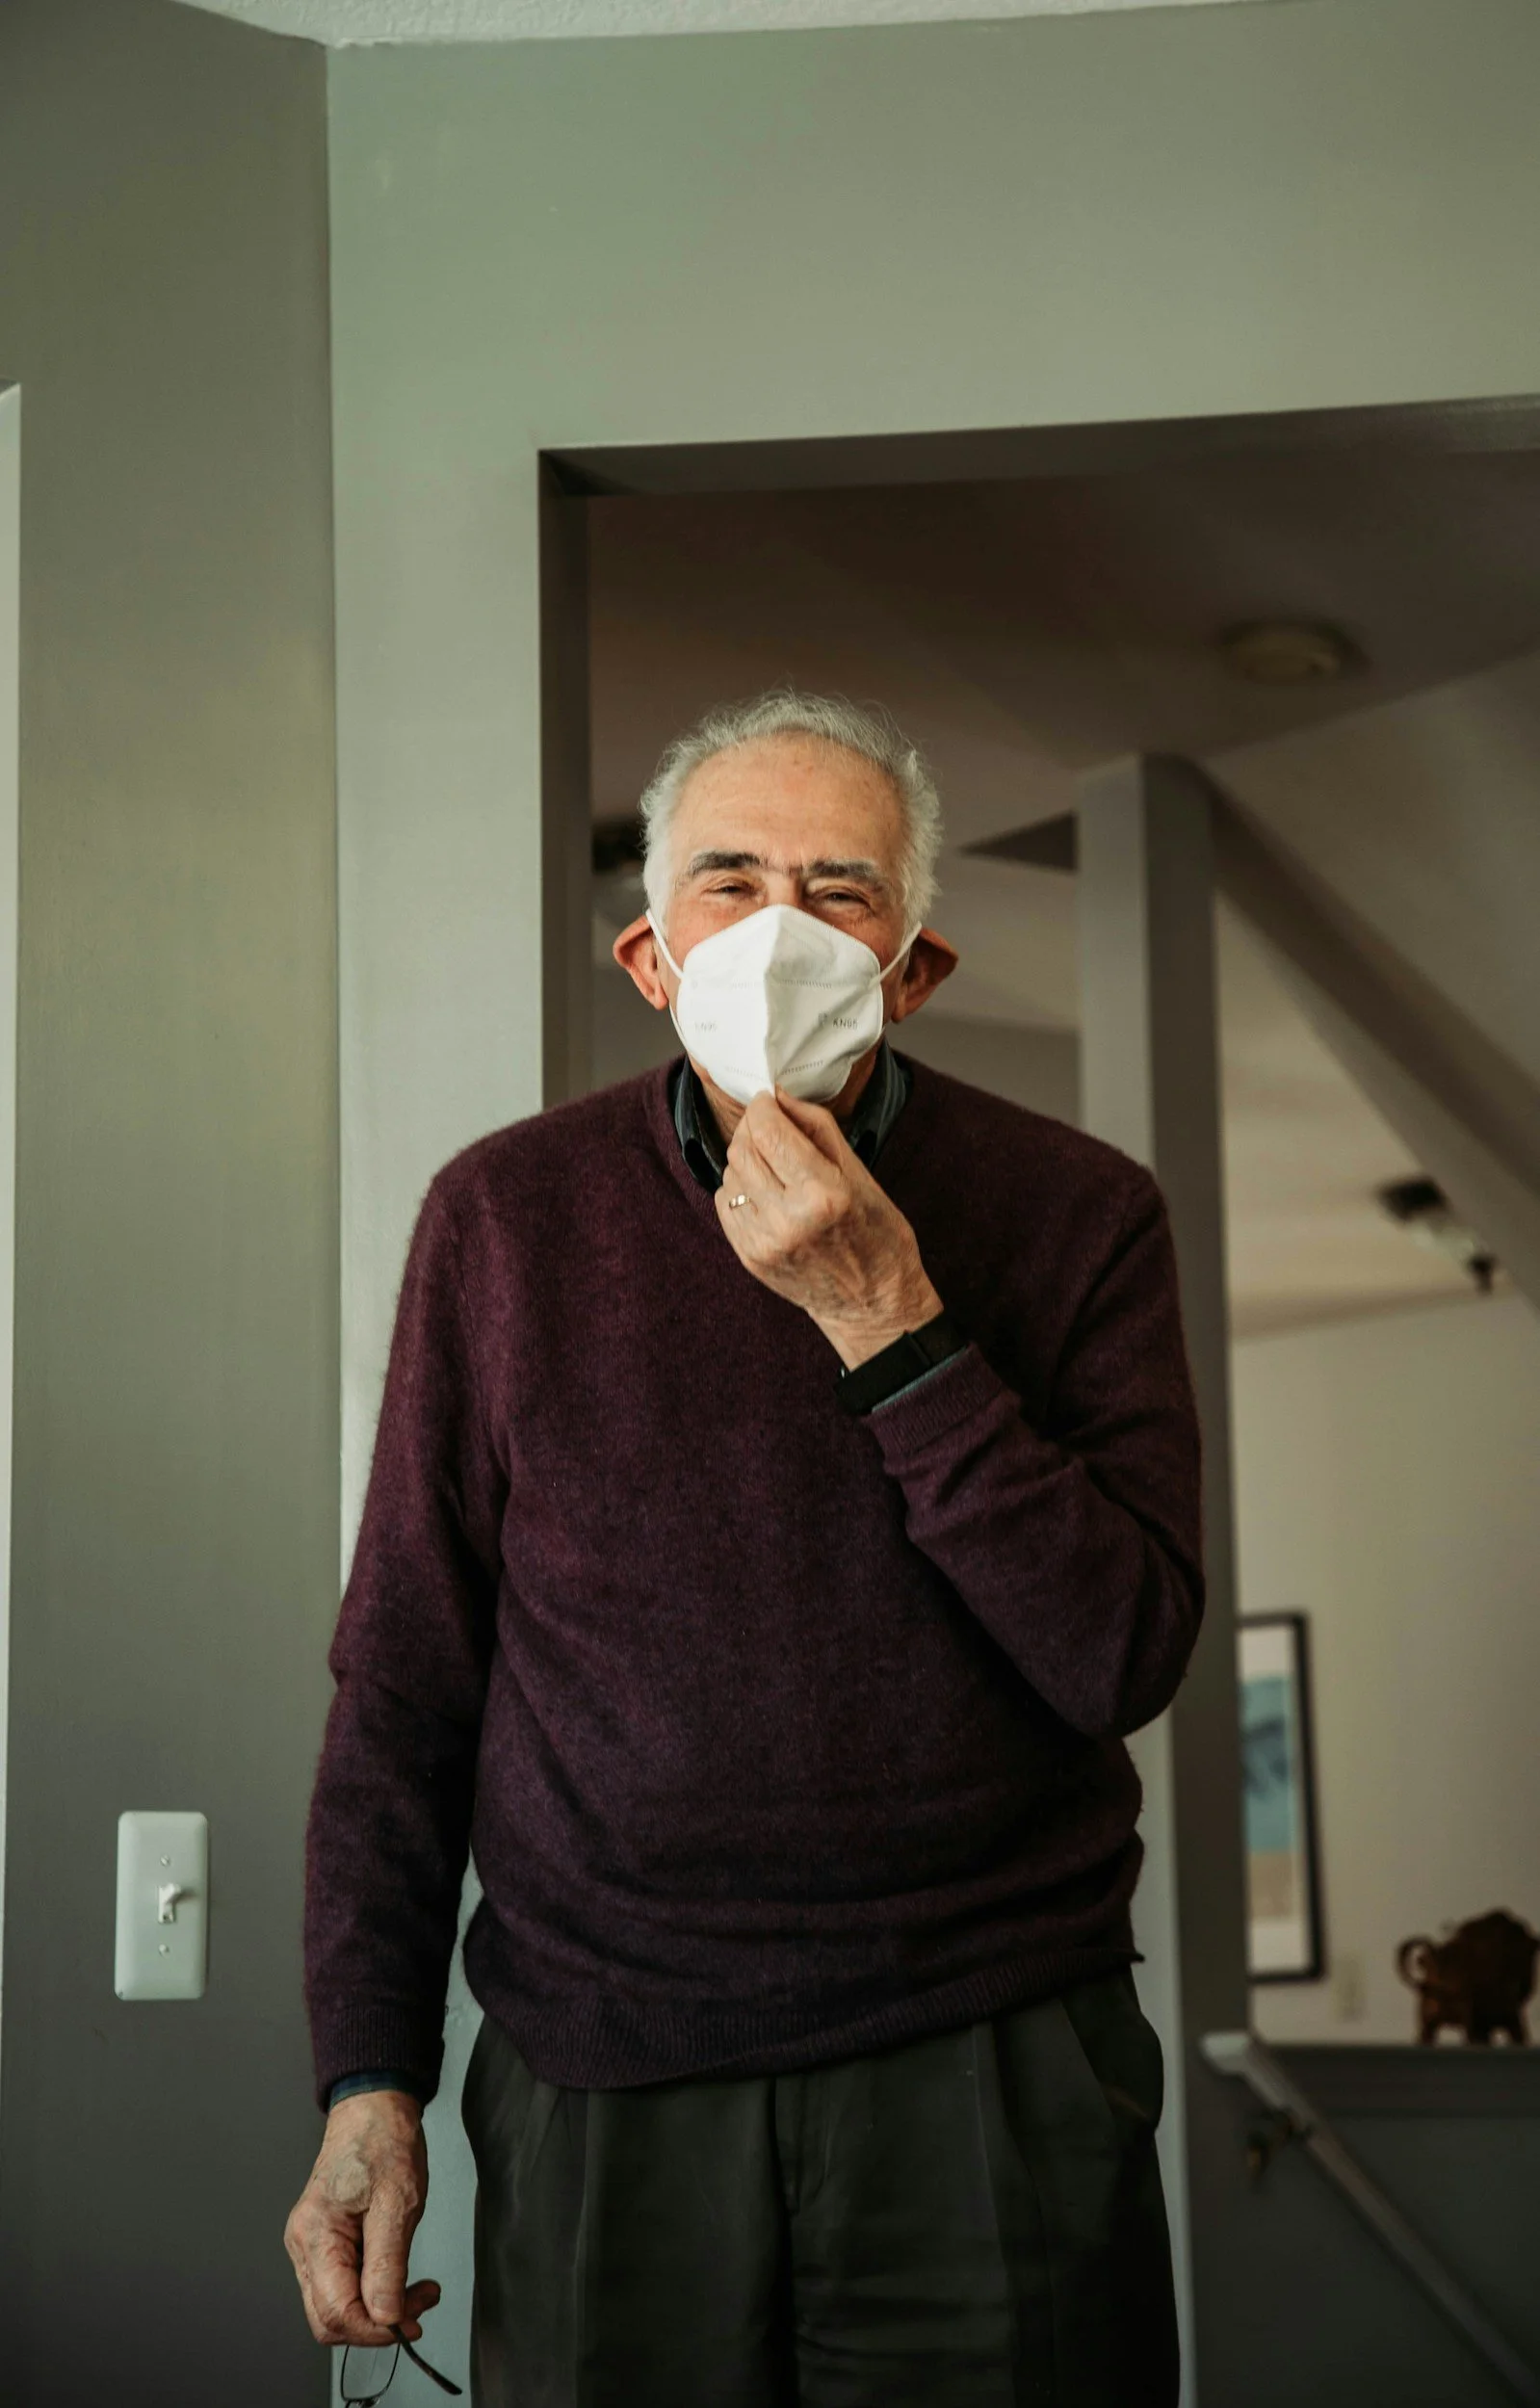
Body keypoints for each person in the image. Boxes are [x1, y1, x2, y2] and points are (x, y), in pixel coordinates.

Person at [285, 690, 1205, 2406]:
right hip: (603, 2071)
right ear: (649, 954)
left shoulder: (1082, 1212)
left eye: (841, 891)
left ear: (914, 967)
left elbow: (1119, 1654)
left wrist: (892, 1321)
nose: (780, 928)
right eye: (729, 881)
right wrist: (368, 2080)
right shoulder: (504, 1216)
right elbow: (407, 1677)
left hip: (990, 2057)